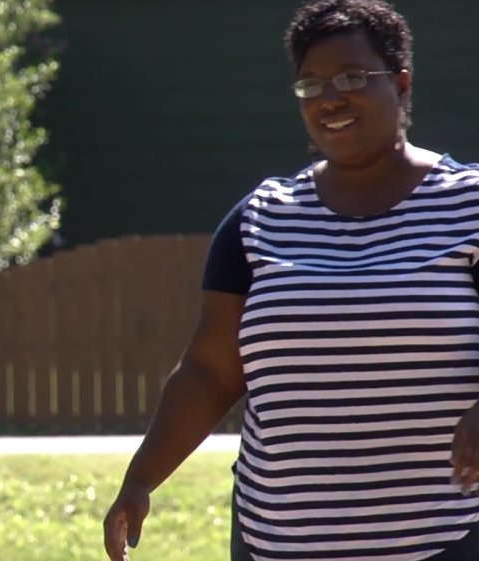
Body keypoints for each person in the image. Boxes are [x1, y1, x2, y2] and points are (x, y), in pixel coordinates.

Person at [103, 1, 479, 559]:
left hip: (444, 535)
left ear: (401, 84)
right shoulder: (259, 220)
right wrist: (141, 478)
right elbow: (209, 371)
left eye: (353, 77)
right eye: (310, 85)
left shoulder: (467, 204)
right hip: (277, 539)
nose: (330, 98)